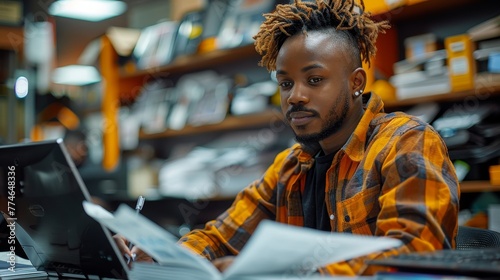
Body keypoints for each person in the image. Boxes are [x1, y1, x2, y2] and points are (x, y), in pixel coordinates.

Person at [115, 0, 460, 276]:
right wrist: (163, 255)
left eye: (314, 80)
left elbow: (414, 258)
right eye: (285, 83)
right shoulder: (290, 166)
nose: (295, 96)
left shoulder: (407, 142)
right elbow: (221, 238)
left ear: (356, 82)